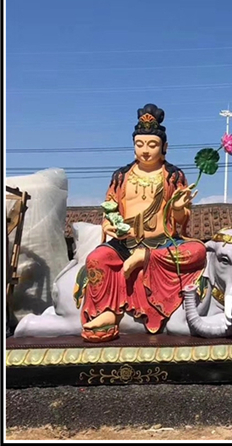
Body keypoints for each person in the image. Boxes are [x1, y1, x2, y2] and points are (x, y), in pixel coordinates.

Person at [76, 104, 207, 342]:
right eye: (140, 144)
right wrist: (108, 225)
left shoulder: (173, 176)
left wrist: (179, 208)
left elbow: (181, 220)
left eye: (152, 145)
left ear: (164, 147)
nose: (145, 151)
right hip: (124, 244)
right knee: (96, 258)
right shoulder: (121, 176)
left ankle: (145, 258)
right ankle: (107, 313)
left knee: (198, 251)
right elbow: (110, 207)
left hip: (161, 244)